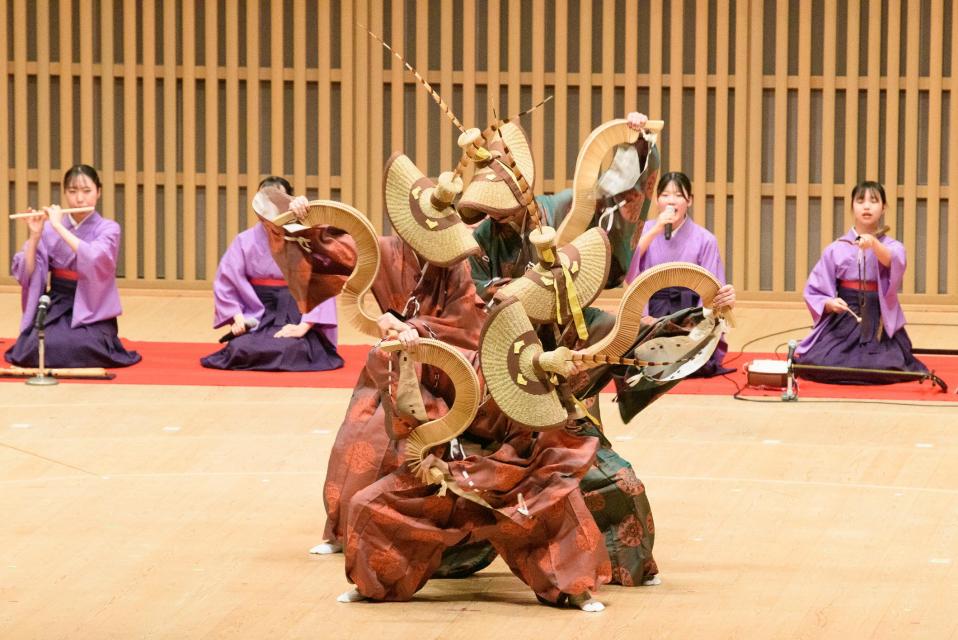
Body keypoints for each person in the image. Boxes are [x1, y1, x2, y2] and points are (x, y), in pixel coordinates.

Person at [314, 155, 488, 556]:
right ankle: (341, 529)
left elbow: (466, 325)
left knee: (408, 441)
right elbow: (334, 252)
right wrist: (308, 221)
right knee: (357, 435)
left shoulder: (455, 268)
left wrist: (418, 329)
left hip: (438, 371)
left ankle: (404, 534)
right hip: (388, 365)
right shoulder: (385, 252)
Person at [200, 176, 349, 371]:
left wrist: (303, 327)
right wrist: (237, 318)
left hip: (297, 310)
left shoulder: (304, 237)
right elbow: (226, 281)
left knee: (293, 348)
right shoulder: (244, 240)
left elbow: (322, 281)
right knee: (240, 348)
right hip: (258, 312)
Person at [5, 164, 141, 368]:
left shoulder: (109, 228)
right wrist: (34, 236)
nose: (79, 199)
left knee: (83, 346)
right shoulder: (48, 228)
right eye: (72, 191)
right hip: (59, 300)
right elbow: (27, 272)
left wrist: (59, 226)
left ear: (98, 192)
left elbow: (95, 259)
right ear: (64, 193)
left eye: (86, 191)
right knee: (37, 346)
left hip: (93, 305)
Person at [794, 180, 929, 384]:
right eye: (860, 200)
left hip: (878, 317)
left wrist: (873, 243)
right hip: (845, 315)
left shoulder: (892, 246)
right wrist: (829, 303)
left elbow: (893, 261)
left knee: (887, 366)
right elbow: (815, 290)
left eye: (874, 201)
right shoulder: (835, 248)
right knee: (821, 362)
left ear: (883, 208)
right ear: (852, 206)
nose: (866, 206)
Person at [625, 171, 736, 378]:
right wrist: (656, 229)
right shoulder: (644, 232)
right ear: (657, 200)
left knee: (693, 363)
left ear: (689, 201)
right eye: (665, 195)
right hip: (653, 311)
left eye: (678, 195)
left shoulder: (705, 239)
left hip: (689, 315)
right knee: (645, 362)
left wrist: (704, 323)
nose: (671, 201)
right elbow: (631, 274)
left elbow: (712, 286)